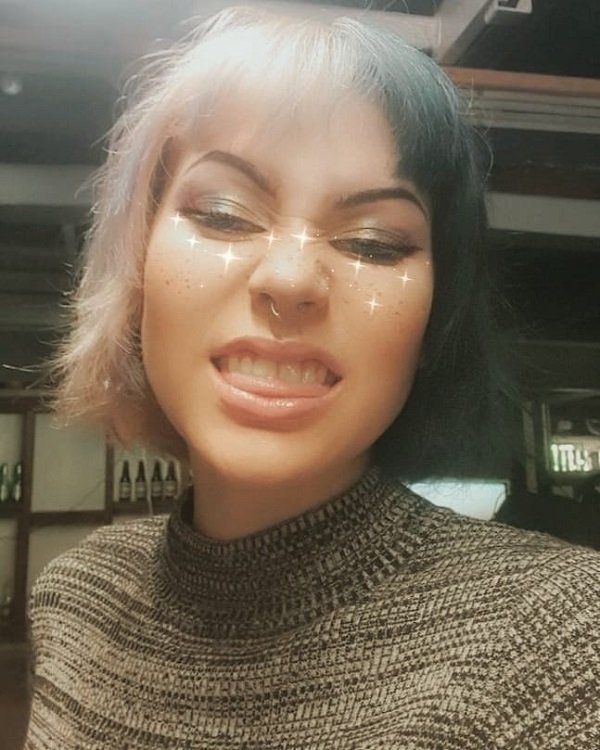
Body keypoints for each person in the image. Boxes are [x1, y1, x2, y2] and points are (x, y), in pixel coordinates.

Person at [25, 6, 599, 749]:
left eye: (374, 242)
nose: (291, 278)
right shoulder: (75, 600)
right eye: (224, 214)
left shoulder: (556, 641)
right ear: (135, 269)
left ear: (435, 319)